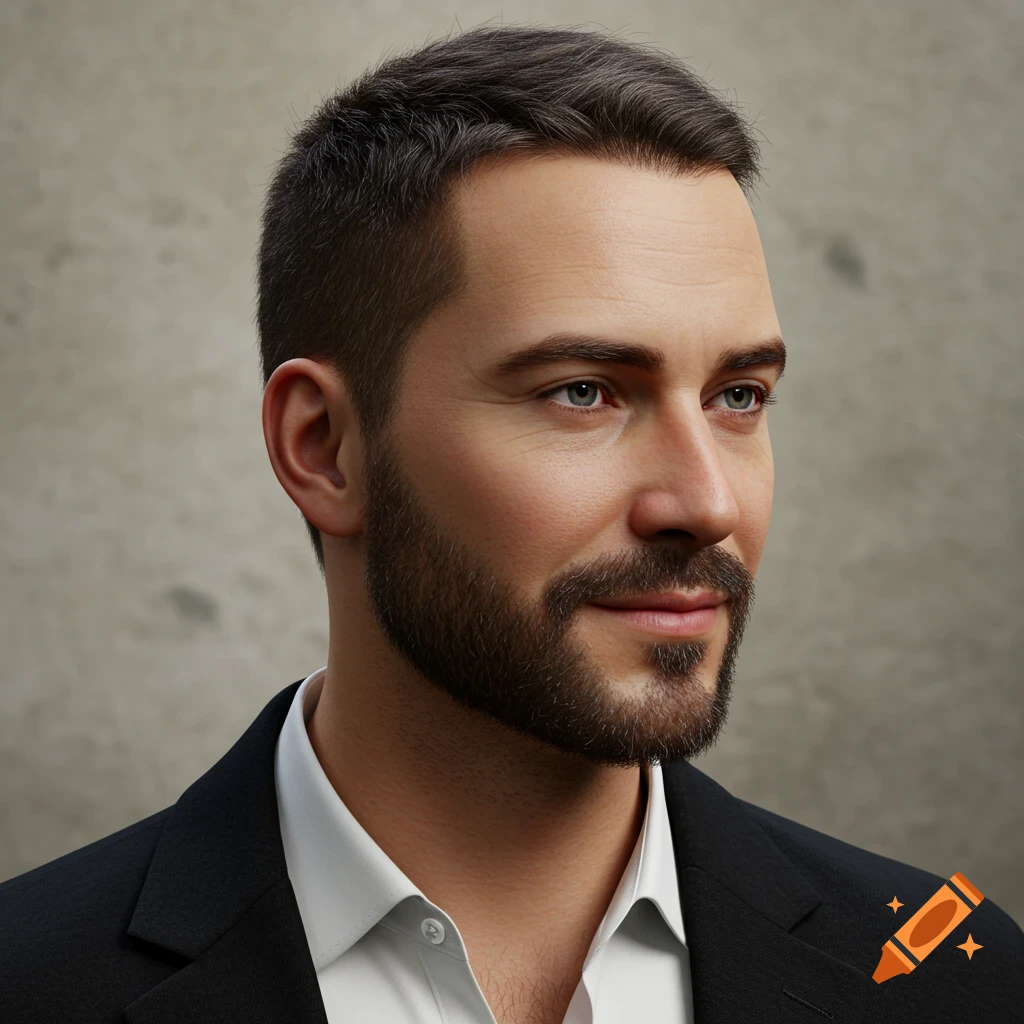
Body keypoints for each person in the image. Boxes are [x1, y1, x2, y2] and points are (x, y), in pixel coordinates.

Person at [2, 22, 1021, 1024]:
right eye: (583, 392)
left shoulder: (955, 978)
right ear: (323, 447)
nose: (706, 502)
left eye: (738, 395)